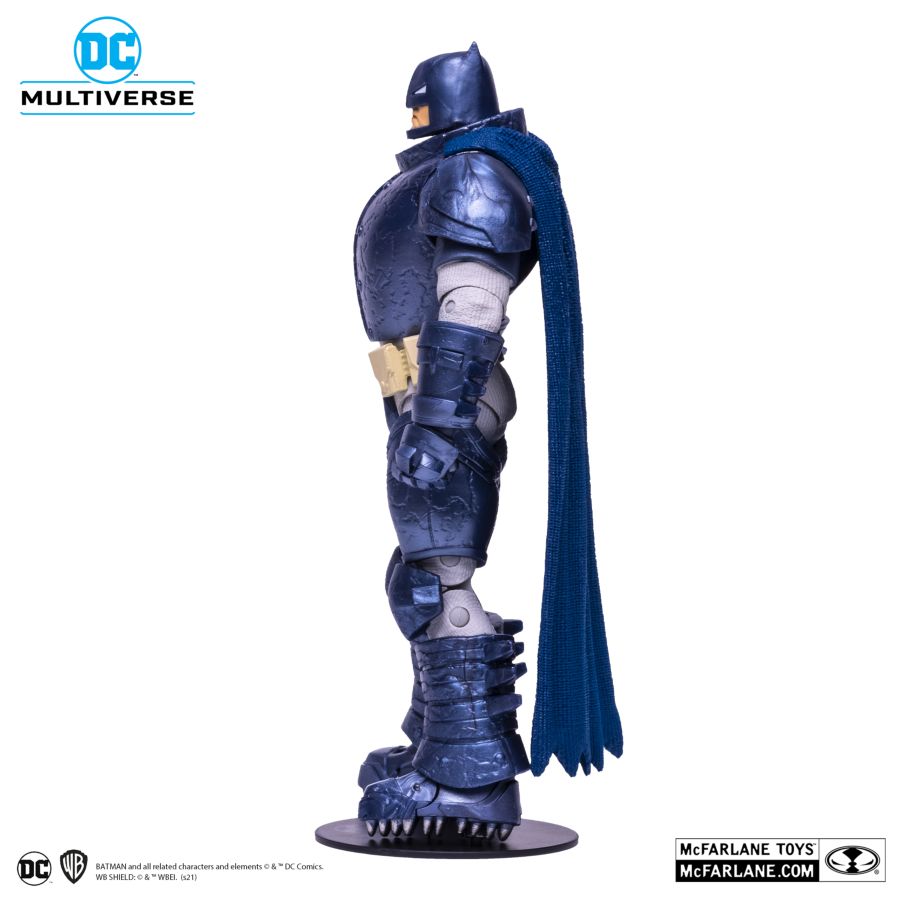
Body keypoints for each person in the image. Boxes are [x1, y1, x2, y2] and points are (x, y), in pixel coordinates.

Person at [353, 44, 621, 841]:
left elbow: (472, 301)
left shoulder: (472, 173)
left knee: (441, 574)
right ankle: (438, 735)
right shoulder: (463, 168)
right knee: (420, 575)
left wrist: (438, 422)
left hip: (449, 398)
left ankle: (467, 773)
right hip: (428, 391)